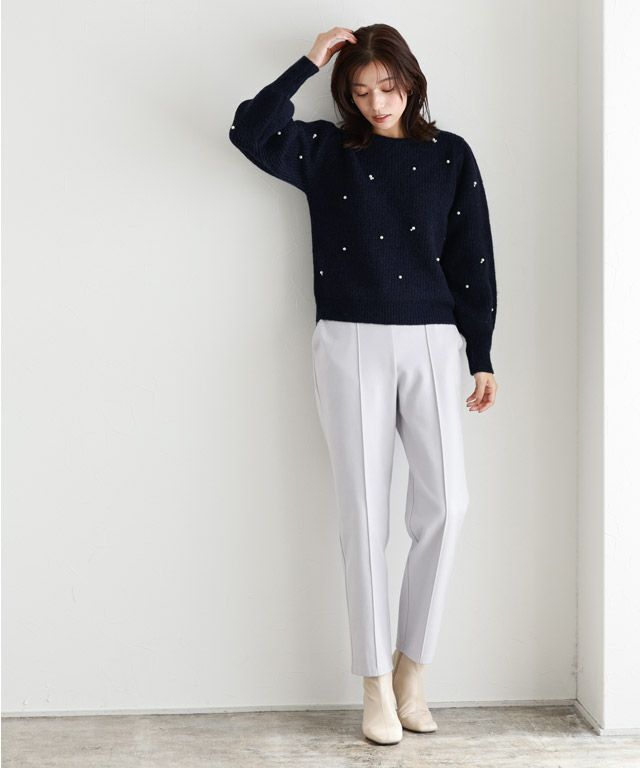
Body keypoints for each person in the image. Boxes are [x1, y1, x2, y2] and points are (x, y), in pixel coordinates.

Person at [229, 23, 499, 746]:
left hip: (434, 341)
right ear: (344, 94)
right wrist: (306, 61)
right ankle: (374, 685)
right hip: (349, 341)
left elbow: (472, 255)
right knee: (365, 515)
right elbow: (249, 131)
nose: (377, 102)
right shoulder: (326, 150)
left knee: (448, 505)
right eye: (360, 90)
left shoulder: (450, 154)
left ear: (411, 81)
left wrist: (481, 353)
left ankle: (413, 670)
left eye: (387, 86)